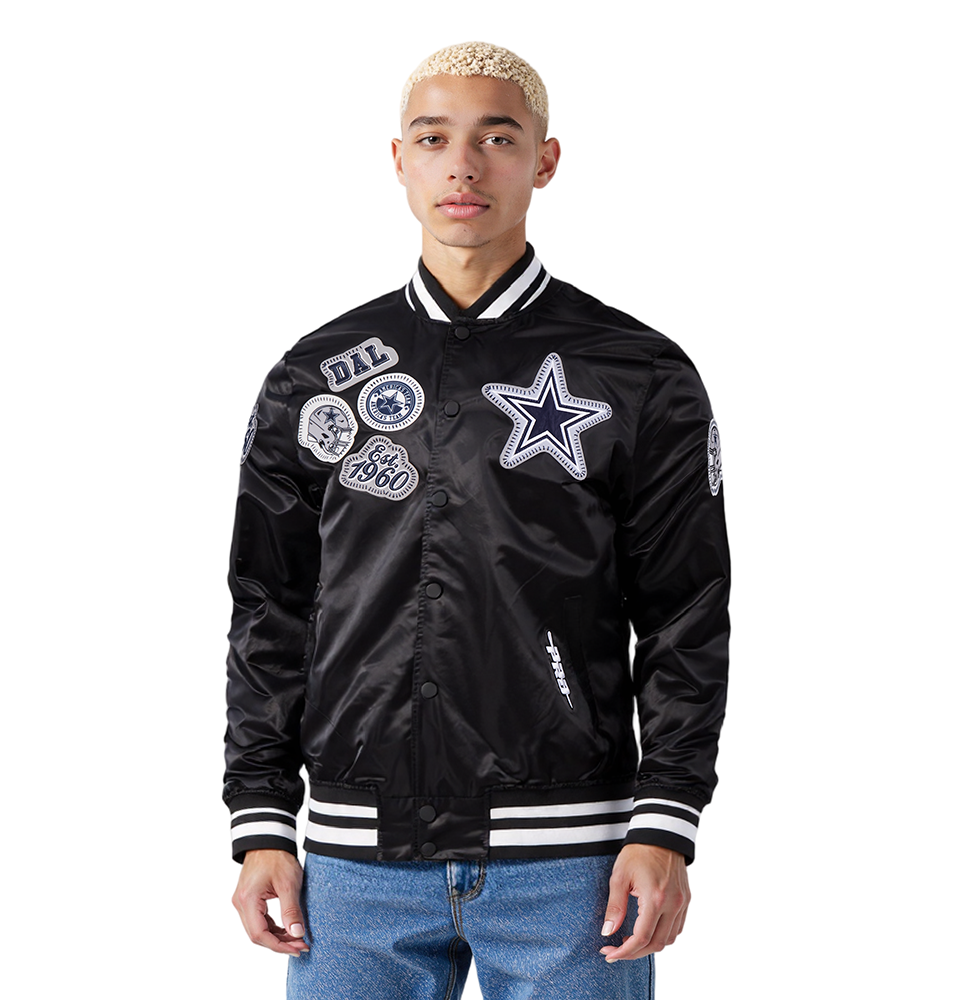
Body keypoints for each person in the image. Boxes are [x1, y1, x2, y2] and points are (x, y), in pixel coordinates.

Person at [225, 41, 730, 1000]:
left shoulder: (637, 372)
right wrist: (260, 817)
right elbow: (270, 605)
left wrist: (666, 819)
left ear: (544, 160)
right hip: (354, 863)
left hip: (571, 863)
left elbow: (685, 611)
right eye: (434, 138)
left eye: (497, 138)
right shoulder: (315, 375)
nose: (463, 165)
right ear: (399, 159)